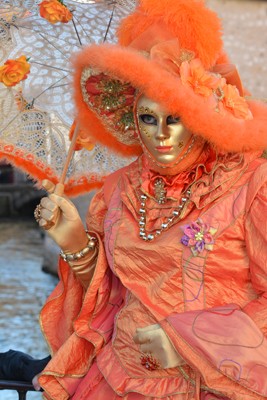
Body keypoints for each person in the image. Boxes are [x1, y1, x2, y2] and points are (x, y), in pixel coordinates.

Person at [3, 0, 267, 398]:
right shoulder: (118, 189)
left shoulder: (249, 186)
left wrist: (190, 341)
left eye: (174, 118)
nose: (161, 133)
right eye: (148, 117)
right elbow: (110, 297)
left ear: (198, 116)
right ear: (131, 119)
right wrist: (75, 243)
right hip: (113, 381)